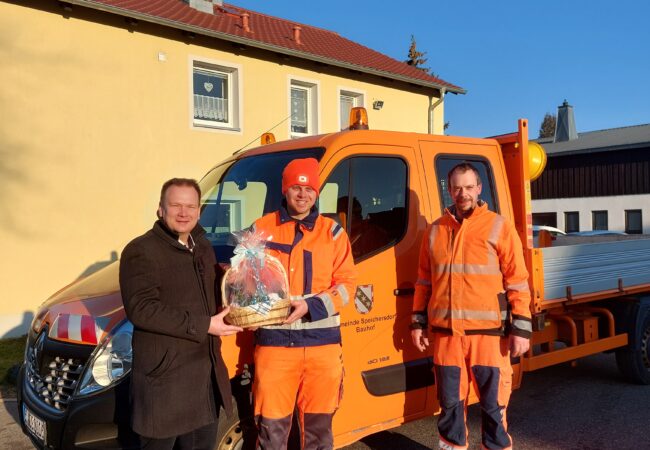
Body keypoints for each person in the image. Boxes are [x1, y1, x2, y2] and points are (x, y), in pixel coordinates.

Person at [410, 163, 532, 450]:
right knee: (450, 408)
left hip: (488, 337)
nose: (462, 193)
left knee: (493, 408)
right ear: (449, 190)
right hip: (446, 337)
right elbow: (424, 281)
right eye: (456, 188)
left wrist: (522, 329)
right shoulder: (435, 230)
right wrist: (417, 321)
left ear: (479, 189)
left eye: (468, 187)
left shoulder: (498, 226)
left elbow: (517, 280)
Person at [120, 178, 243, 450]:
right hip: (165, 388)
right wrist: (204, 325)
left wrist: (240, 281)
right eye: (175, 205)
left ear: (199, 211)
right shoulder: (141, 251)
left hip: (203, 383)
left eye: (190, 206)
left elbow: (211, 288)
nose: (183, 212)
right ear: (160, 209)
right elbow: (141, 309)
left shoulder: (203, 246)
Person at [251, 158, 357, 449]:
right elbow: (246, 281)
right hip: (274, 348)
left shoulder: (333, 233)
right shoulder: (261, 228)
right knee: (271, 434)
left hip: (321, 348)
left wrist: (312, 306)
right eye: (296, 188)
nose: (303, 195)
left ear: (317, 192)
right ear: (285, 191)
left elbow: (347, 286)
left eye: (309, 188)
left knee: (318, 435)